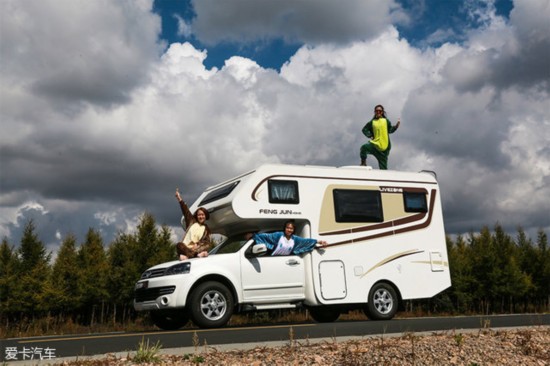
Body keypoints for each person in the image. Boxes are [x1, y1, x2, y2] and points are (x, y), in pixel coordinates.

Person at [251, 220, 328, 256]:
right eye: (287, 228)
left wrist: (319, 241)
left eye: (291, 228)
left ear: (293, 230)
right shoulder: (278, 235)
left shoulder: (295, 239)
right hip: (273, 258)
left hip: (286, 260)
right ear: (285, 228)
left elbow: (306, 241)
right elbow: (266, 237)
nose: (289, 230)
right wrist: (253, 236)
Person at [175, 188, 212, 260]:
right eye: (199, 215)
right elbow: (186, 211)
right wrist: (179, 198)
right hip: (186, 248)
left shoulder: (206, 229)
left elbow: (207, 243)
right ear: (196, 216)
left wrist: (197, 245)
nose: (201, 216)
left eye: (202, 215)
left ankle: (188, 256)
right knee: (179, 245)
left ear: (205, 216)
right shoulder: (191, 222)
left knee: (206, 244)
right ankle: (197, 255)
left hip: (197, 248)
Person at [360, 104, 400, 170]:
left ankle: (384, 178)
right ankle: (363, 163)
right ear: (375, 112)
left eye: (380, 111)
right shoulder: (372, 122)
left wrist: (396, 127)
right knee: (364, 148)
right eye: (377, 111)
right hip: (374, 145)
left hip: (384, 148)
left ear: (382, 112)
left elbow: (390, 130)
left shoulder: (386, 121)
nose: (378, 112)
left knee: (383, 169)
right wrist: (370, 135)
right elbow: (364, 129)